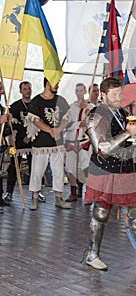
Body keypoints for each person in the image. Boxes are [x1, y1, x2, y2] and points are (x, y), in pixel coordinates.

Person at [84, 77, 136, 271]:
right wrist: (126, 134)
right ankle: (92, 254)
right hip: (104, 170)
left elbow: (127, 142)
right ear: (103, 95)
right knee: (101, 212)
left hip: (124, 169)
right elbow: (102, 148)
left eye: (120, 93)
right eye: (114, 94)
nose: (118, 97)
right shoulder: (95, 115)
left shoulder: (121, 113)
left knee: (133, 212)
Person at [27, 77, 71, 211]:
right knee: (37, 171)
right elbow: (34, 120)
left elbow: (67, 118)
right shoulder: (36, 101)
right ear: (47, 84)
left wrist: (59, 129)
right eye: (55, 83)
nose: (57, 85)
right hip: (41, 144)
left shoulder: (61, 100)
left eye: (58, 82)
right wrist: (50, 130)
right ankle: (34, 198)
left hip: (57, 143)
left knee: (58, 171)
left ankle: (58, 198)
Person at [3, 81, 46, 205]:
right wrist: (10, 143)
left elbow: (39, 123)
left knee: (35, 167)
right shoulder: (15, 106)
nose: (28, 91)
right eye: (25, 89)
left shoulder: (36, 105)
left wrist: (30, 135)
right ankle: (9, 193)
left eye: (29, 88)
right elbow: (10, 127)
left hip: (33, 142)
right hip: (17, 143)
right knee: (13, 166)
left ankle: (36, 192)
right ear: (21, 91)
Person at [64, 83, 91, 202]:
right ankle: (73, 192)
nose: (79, 92)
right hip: (71, 141)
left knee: (86, 168)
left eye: (81, 90)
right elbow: (65, 124)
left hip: (85, 141)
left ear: (85, 91)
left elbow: (96, 125)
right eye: (77, 90)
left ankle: (89, 193)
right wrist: (79, 124)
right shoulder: (70, 108)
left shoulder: (91, 108)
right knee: (71, 168)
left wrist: (88, 124)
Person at [0, 81, 12, 213]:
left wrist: (9, 144)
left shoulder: (1, 107)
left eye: (2, 89)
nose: (1, 92)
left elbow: (6, 129)